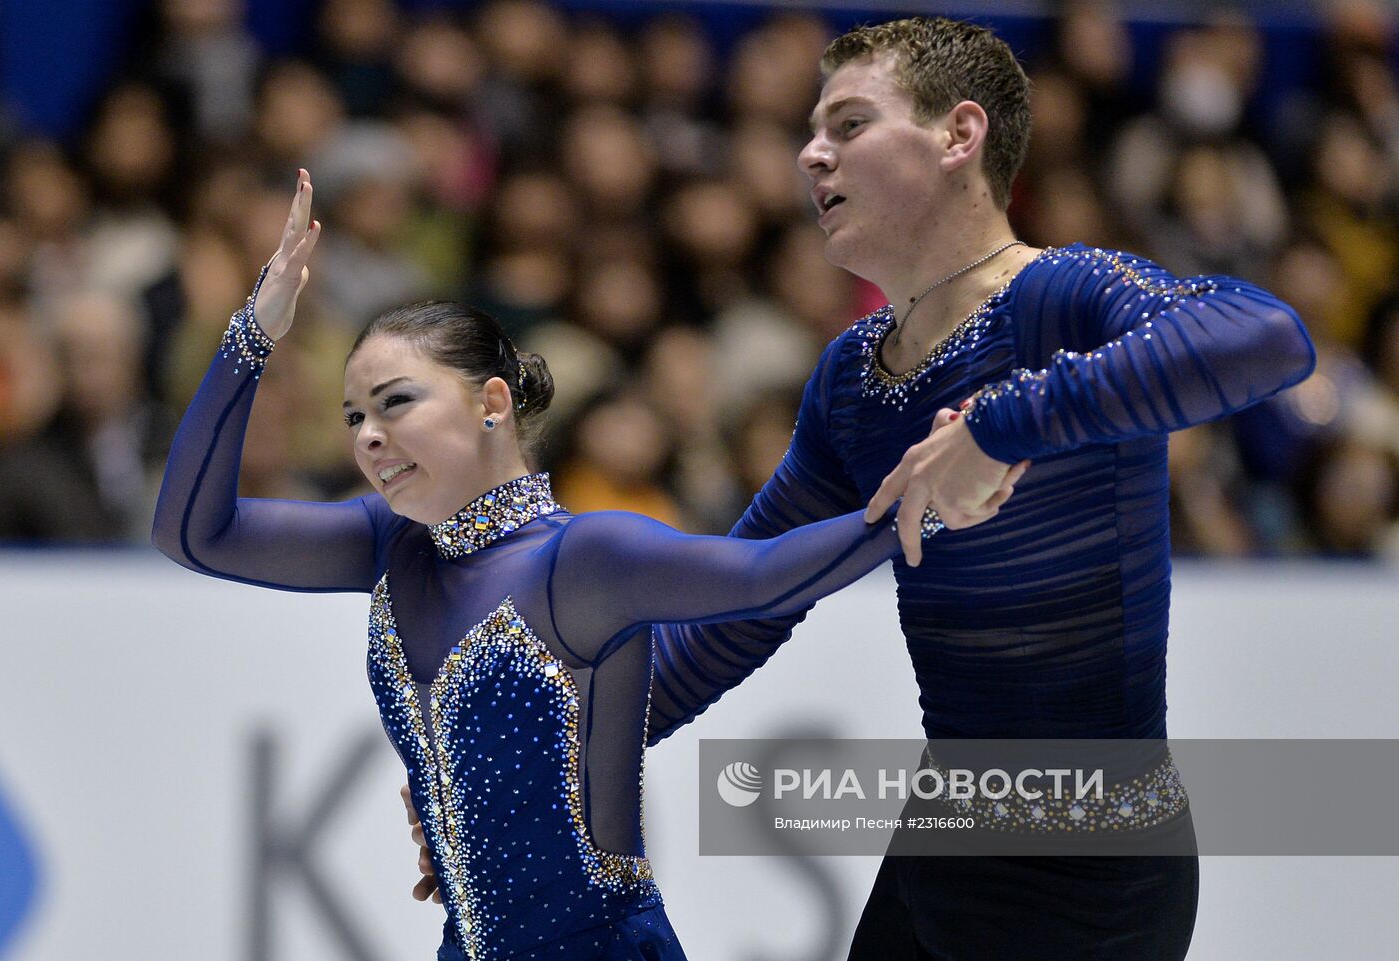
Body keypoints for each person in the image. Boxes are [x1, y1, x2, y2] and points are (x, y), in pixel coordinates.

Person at [405, 16, 1318, 961]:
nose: (809, 153)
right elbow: (737, 607)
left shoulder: (1066, 296)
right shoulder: (854, 379)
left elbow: (1265, 337)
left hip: (1095, 852)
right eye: (811, 129)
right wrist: (527, 769)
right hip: (947, 837)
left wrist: (1003, 423)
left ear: (958, 137)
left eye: (847, 125)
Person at [149, 169, 1021, 961]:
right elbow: (193, 532)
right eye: (353, 418)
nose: (370, 436)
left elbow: (763, 576)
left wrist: (928, 497)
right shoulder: (387, 544)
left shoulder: (584, 559)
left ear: (491, 402)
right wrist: (253, 333)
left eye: (396, 403)